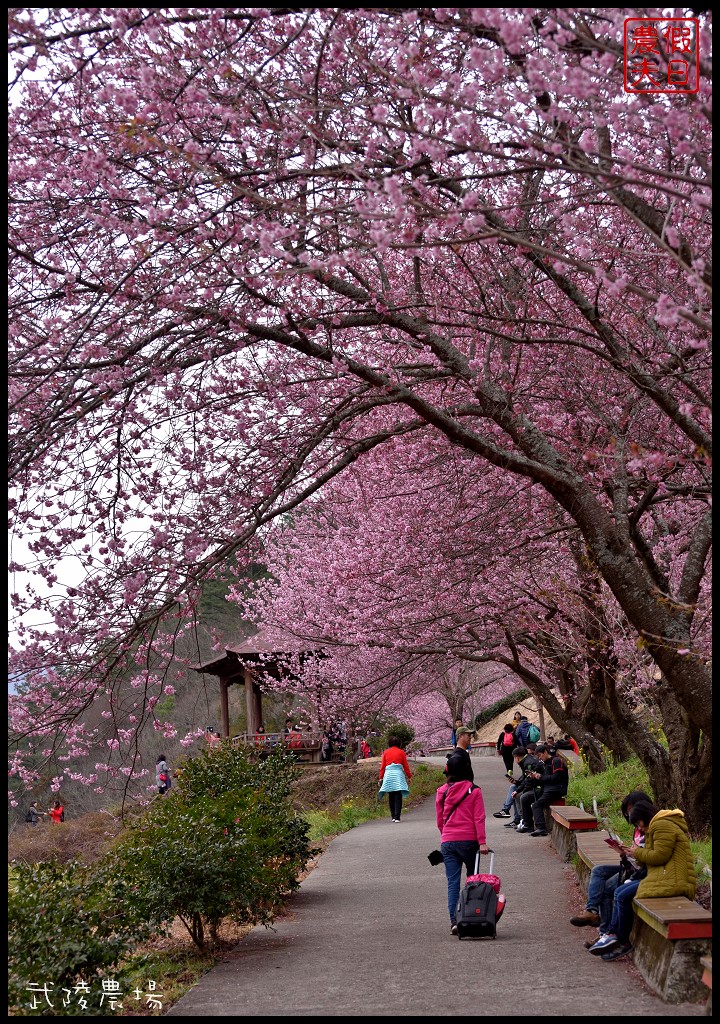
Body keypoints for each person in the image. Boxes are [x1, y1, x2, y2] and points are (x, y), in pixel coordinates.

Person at [588, 799, 696, 961]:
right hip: (663, 875)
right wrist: (632, 854)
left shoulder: (662, 825)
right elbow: (651, 859)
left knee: (622, 895)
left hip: (673, 880)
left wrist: (636, 852)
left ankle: (621, 940)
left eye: (639, 824)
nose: (640, 828)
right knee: (619, 892)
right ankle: (612, 934)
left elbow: (659, 856)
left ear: (646, 816)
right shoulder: (657, 826)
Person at [571, 790, 652, 943]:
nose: (630, 815)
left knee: (608, 889)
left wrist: (632, 853)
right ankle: (592, 911)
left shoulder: (651, 828)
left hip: (641, 872)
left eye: (631, 810)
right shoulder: (638, 828)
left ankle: (605, 933)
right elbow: (636, 856)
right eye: (628, 812)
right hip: (632, 866)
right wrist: (623, 852)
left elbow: (647, 858)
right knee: (598, 871)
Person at [435, 765, 490, 934]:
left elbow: (439, 819)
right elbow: (478, 817)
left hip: (448, 841)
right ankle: (472, 916)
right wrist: (482, 842)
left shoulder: (442, 791)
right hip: (469, 841)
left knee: (452, 884)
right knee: (473, 881)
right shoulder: (474, 790)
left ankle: (454, 921)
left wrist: (445, 835)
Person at [528, 743, 569, 836]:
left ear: (545, 752)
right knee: (528, 797)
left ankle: (541, 828)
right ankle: (527, 824)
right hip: (548, 788)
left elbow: (555, 778)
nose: (540, 758)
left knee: (536, 805)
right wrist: (535, 777)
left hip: (557, 789)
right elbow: (545, 779)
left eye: (540, 755)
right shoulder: (545, 764)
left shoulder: (556, 761)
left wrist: (540, 777)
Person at [508, 746, 544, 832]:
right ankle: (521, 819)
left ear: (517, 757)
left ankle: (527, 823)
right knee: (517, 793)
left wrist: (520, 791)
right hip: (537, 786)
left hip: (540, 787)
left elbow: (529, 781)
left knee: (523, 797)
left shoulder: (528, 763)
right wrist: (517, 785)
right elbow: (526, 779)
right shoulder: (527, 760)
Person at [378, 735, 413, 822]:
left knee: (391, 795)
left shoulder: (386, 752)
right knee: (398, 795)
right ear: (399, 744)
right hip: (398, 774)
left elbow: (382, 767)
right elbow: (405, 766)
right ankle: (397, 817)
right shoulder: (401, 752)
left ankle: (393, 816)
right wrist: (409, 776)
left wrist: (380, 778)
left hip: (388, 774)